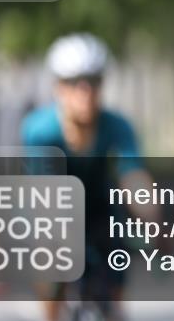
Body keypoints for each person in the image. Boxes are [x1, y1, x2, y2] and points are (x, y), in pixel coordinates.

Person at [21, 33, 164, 321]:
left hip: (102, 209)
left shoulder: (117, 126)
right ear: (58, 87)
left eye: (94, 81)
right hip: (53, 209)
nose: (85, 91)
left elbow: (133, 176)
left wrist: (152, 218)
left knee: (115, 272)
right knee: (50, 272)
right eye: (74, 83)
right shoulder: (40, 130)